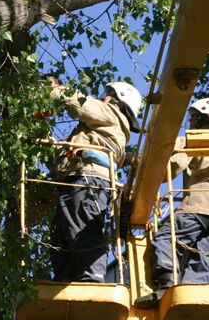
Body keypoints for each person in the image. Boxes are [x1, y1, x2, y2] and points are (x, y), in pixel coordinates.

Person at [134, 98, 209, 308]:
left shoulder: (193, 139)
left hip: (202, 205)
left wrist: (142, 166)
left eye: (192, 118)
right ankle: (193, 292)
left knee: (166, 239)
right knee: (204, 252)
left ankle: (167, 287)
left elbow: (171, 168)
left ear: (201, 118)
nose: (189, 122)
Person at [48, 77, 143, 283]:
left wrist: (53, 89)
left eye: (106, 94)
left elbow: (79, 103)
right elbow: (64, 154)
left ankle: (93, 277)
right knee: (62, 236)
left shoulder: (111, 115)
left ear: (118, 101)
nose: (102, 97)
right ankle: (68, 279)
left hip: (88, 179)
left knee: (83, 226)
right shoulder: (101, 129)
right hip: (78, 178)